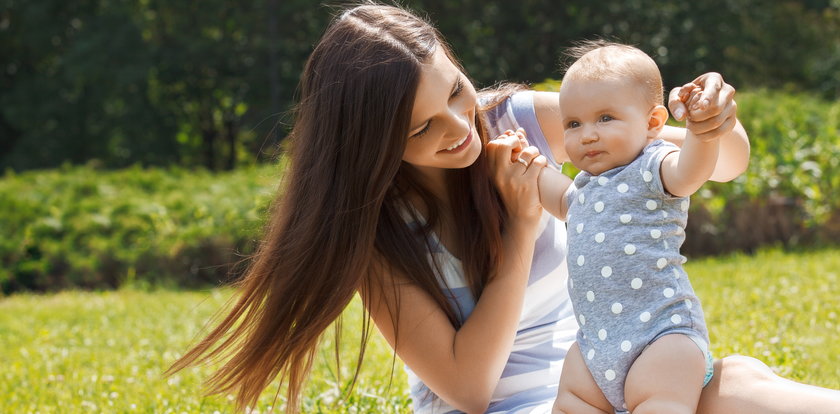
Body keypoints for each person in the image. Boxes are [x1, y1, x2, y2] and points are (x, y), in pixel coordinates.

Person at [165, 4, 840, 413]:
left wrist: (714, 123)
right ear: (372, 147)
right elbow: (469, 388)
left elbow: (714, 163)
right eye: (420, 129)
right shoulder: (377, 238)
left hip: (607, 372)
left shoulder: (519, 120)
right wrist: (518, 236)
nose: (459, 128)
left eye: (455, 93)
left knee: (729, 387)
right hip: (522, 405)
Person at [521, 42, 720, 414]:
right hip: (595, 343)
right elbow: (559, 198)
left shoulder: (654, 166)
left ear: (653, 123)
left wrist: (701, 134)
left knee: (659, 404)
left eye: (605, 118)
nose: (588, 134)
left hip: (661, 336)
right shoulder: (582, 187)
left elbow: (691, 172)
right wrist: (528, 163)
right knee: (568, 403)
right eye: (573, 124)